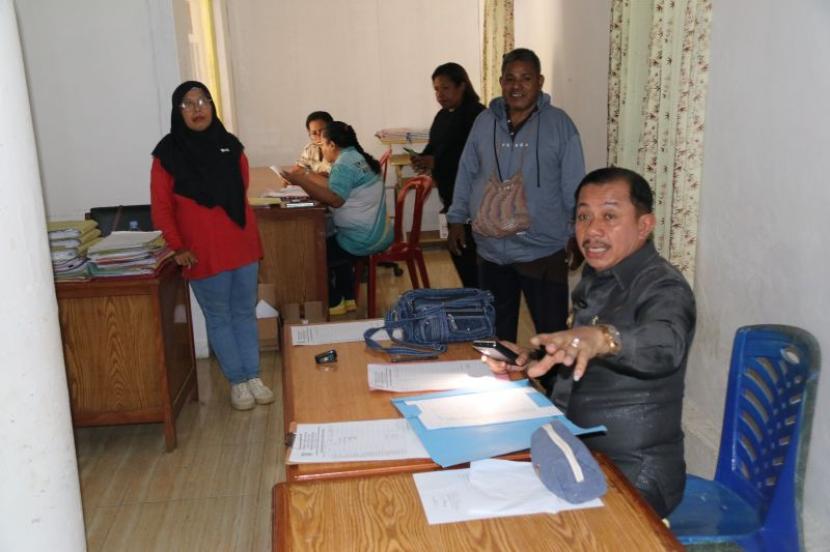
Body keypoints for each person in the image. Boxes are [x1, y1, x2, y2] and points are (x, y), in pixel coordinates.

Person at [483, 167, 696, 517]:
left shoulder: (664, 287)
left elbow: (665, 345)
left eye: (610, 216)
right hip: (575, 450)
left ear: (644, 226)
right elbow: (579, 360)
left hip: (634, 473)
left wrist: (604, 338)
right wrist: (531, 358)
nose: (592, 230)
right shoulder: (598, 277)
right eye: (583, 216)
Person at [446, 47, 585, 346]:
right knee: (497, 337)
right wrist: (457, 218)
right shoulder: (484, 122)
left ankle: (552, 391)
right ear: (500, 82)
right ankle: (504, 386)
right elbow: (467, 171)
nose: (517, 86)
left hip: (543, 250)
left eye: (526, 78)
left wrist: (578, 233)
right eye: (510, 78)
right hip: (491, 250)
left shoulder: (560, 125)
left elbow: (574, 184)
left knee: (552, 337)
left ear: (540, 81)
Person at [150, 80, 275, 411]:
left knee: (244, 313)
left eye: (203, 101)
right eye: (188, 104)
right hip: (200, 251)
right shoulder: (167, 154)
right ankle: (237, 382)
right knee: (219, 317)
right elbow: (161, 207)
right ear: (178, 111)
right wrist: (177, 247)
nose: (197, 109)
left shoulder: (231, 145)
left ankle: (254, 377)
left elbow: (242, 187)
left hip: (242, 245)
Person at [282, 121, 393, 316]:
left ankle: (334, 302)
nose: (322, 149)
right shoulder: (355, 156)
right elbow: (336, 186)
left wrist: (301, 181)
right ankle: (348, 297)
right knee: (331, 238)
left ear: (332, 145)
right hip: (378, 232)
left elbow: (334, 199)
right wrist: (307, 177)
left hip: (363, 240)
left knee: (310, 255)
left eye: (323, 145)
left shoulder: (344, 164)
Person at [410, 62, 485, 288]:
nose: (440, 95)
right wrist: (422, 158)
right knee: (459, 251)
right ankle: (472, 295)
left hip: (476, 200)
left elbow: (475, 158)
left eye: (445, 88)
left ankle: (480, 298)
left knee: (472, 255)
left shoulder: (479, 116)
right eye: (436, 89)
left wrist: (437, 162)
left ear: (462, 86)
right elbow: (436, 147)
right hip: (451, 197)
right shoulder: (442, 116)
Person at [289, 111, 334, 187]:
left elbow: (330, 177)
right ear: (309, 133)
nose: (319, 135)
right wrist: (290, 177)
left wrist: (307, 175)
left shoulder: (339, 148)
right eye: (314, 133)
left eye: (322, 131)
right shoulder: (310, 148)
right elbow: (298, 168)